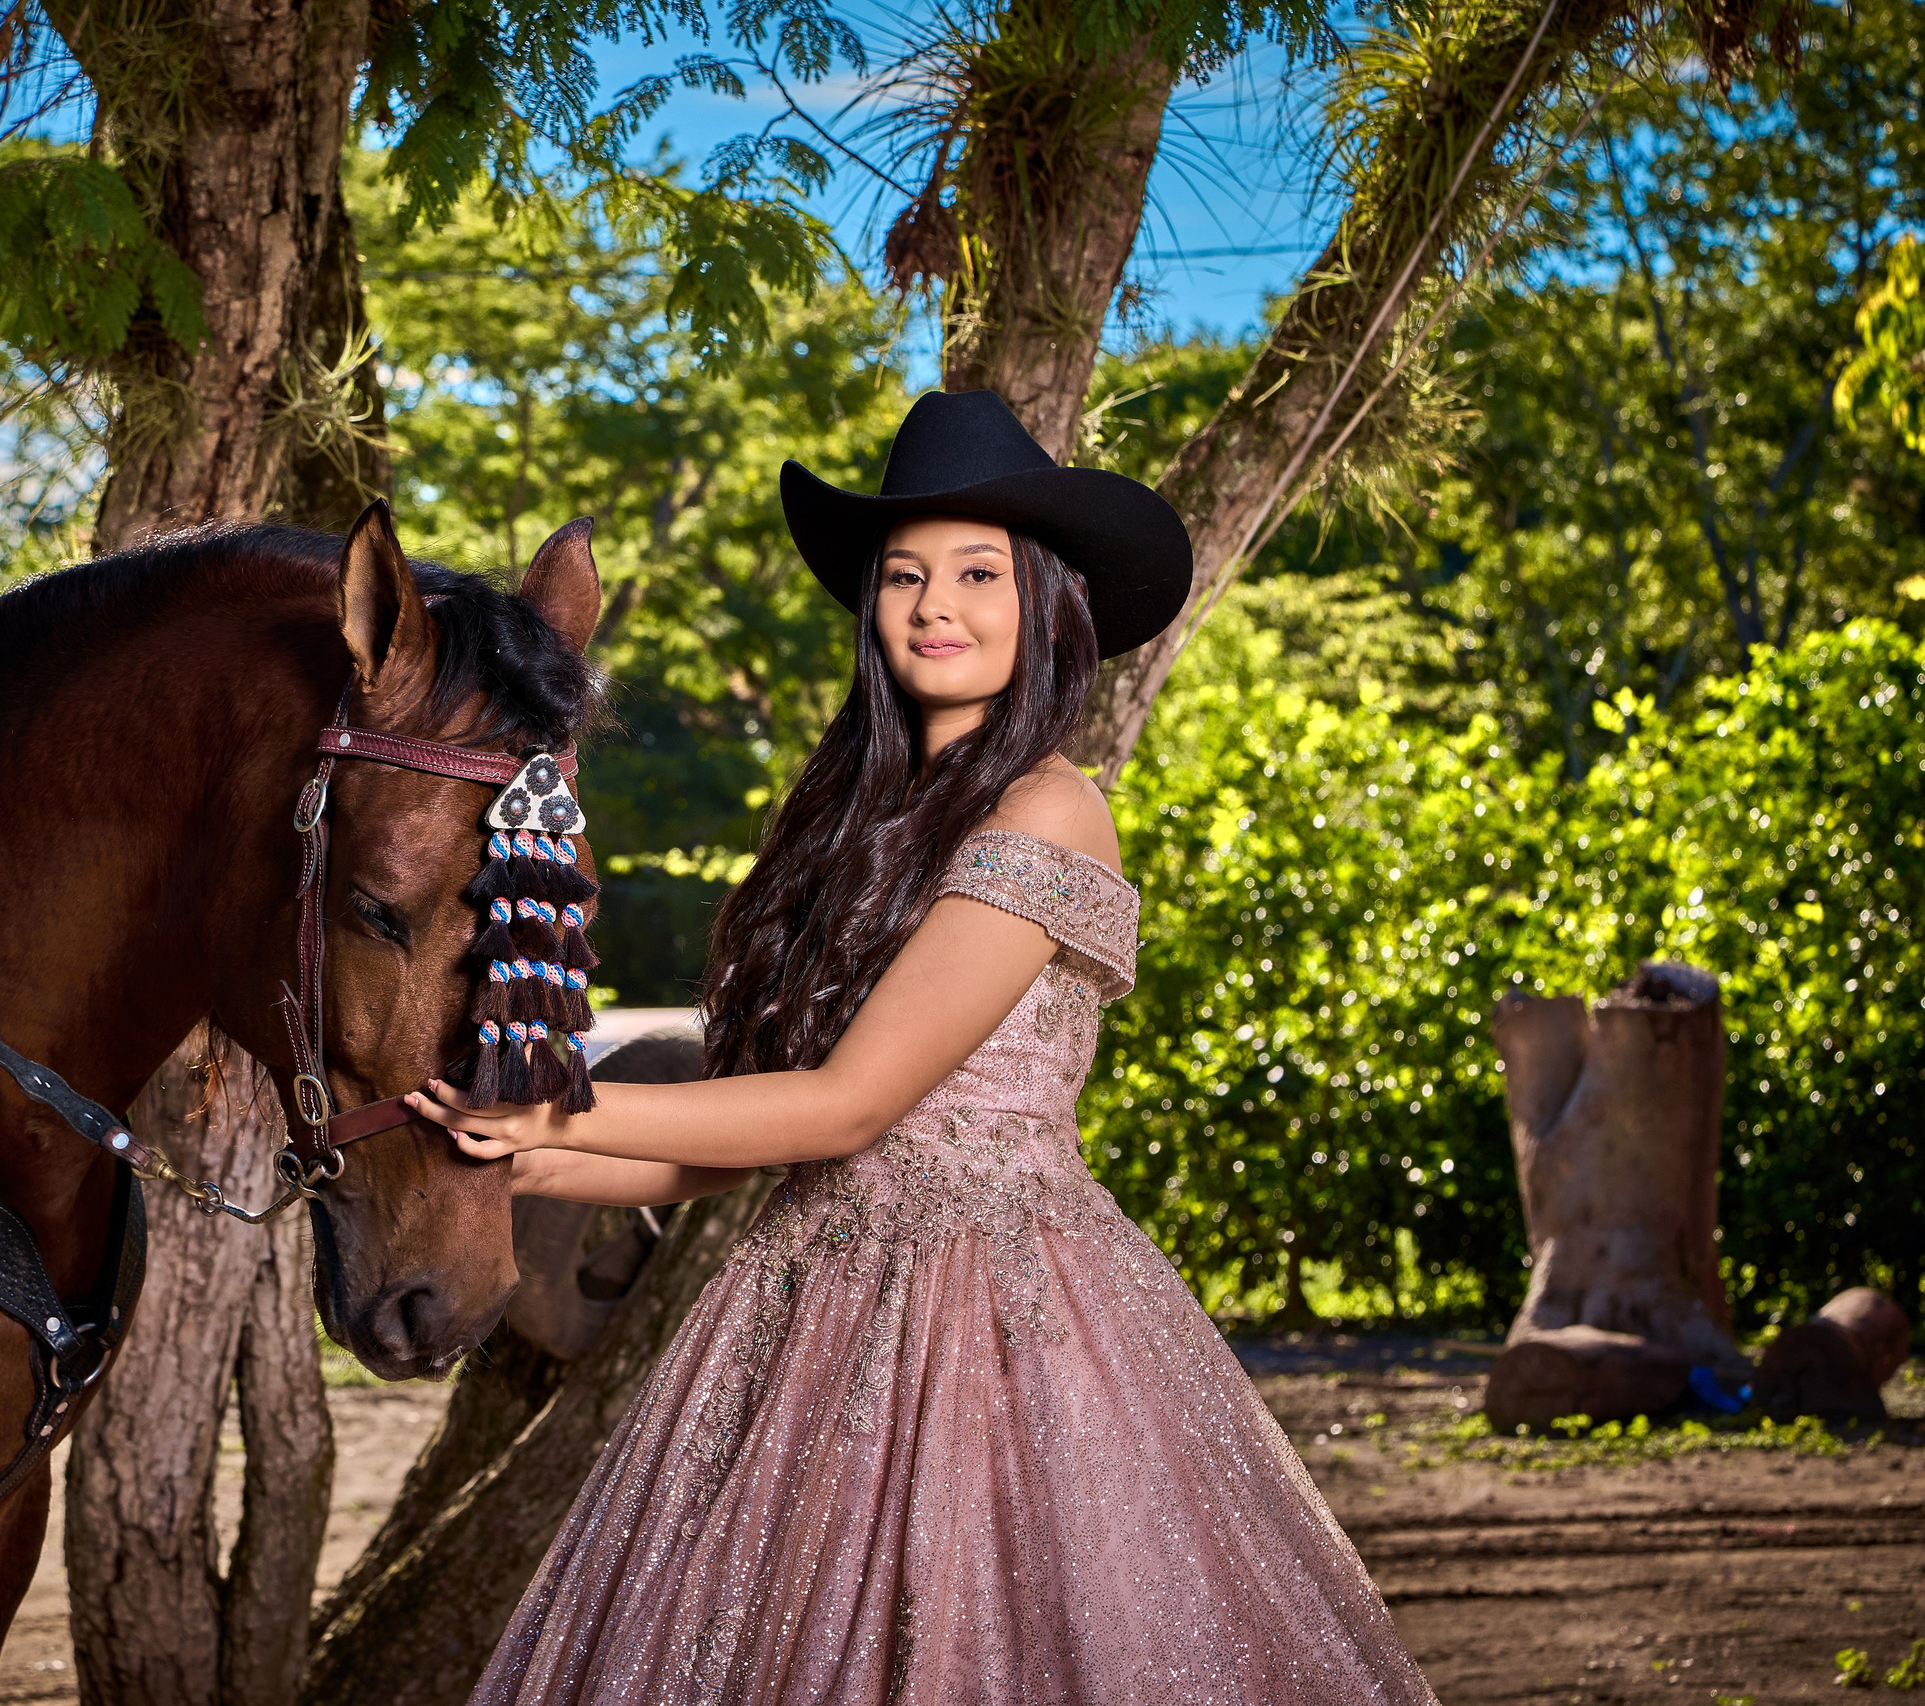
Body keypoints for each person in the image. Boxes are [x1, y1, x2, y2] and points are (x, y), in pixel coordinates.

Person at [404, 390, 1439, 1705]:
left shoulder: (1053, 808)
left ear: (1046, 599)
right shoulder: (848, 819)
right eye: (904, 575)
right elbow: (712, 1151)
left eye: (974, 572)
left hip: (1005, 1329)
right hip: (802, 1313)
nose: (933, 602)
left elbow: (846, 1104)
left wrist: (560, 1116)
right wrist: (492, 1152)